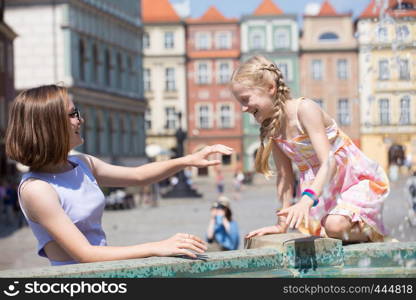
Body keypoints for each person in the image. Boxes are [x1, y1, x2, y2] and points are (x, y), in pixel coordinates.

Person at [5, 84, 234, 266]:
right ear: (51, 124)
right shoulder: (37, 188)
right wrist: (157, 247)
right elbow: (85, 254)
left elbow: (138, 175)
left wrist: (187, 160)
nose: (80, 120)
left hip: (104, 273)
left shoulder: (81, 163)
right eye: (73, 114)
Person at [230, 55, 389, 243]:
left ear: (270, 89)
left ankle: (377, 236)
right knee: (317, 231)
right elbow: (285, 177)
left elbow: (329, 162)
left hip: (351, 180)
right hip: (323, 188)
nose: (243, 108)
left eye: (246, 99)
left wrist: (306, 200)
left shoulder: (304, 109)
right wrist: (281, 224)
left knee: (333, 226)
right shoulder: (274, 128)